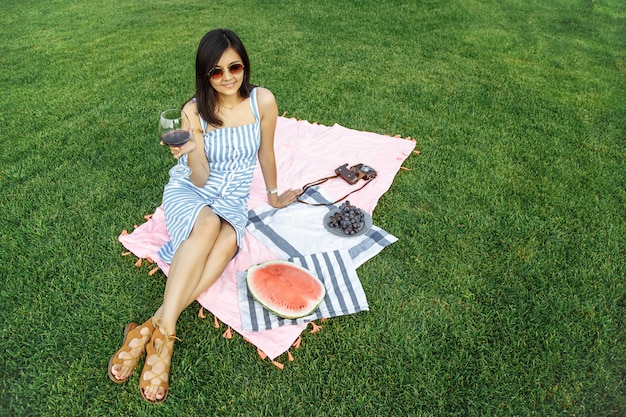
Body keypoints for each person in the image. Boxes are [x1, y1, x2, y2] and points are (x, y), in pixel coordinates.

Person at [107, 28, 301, 403]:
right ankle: (162, 345)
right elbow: (199, 176)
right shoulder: (193, 111)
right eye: (216, 71)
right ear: (205, 74)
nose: (227, 77)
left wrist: (274, 197)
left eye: (235, 66)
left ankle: (149, 328)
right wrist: (192, 150)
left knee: (228, 240)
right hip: (192, 189)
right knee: (209, 225)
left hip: (233, 197)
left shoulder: (263, 101)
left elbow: (266, 153)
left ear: (245, 65)